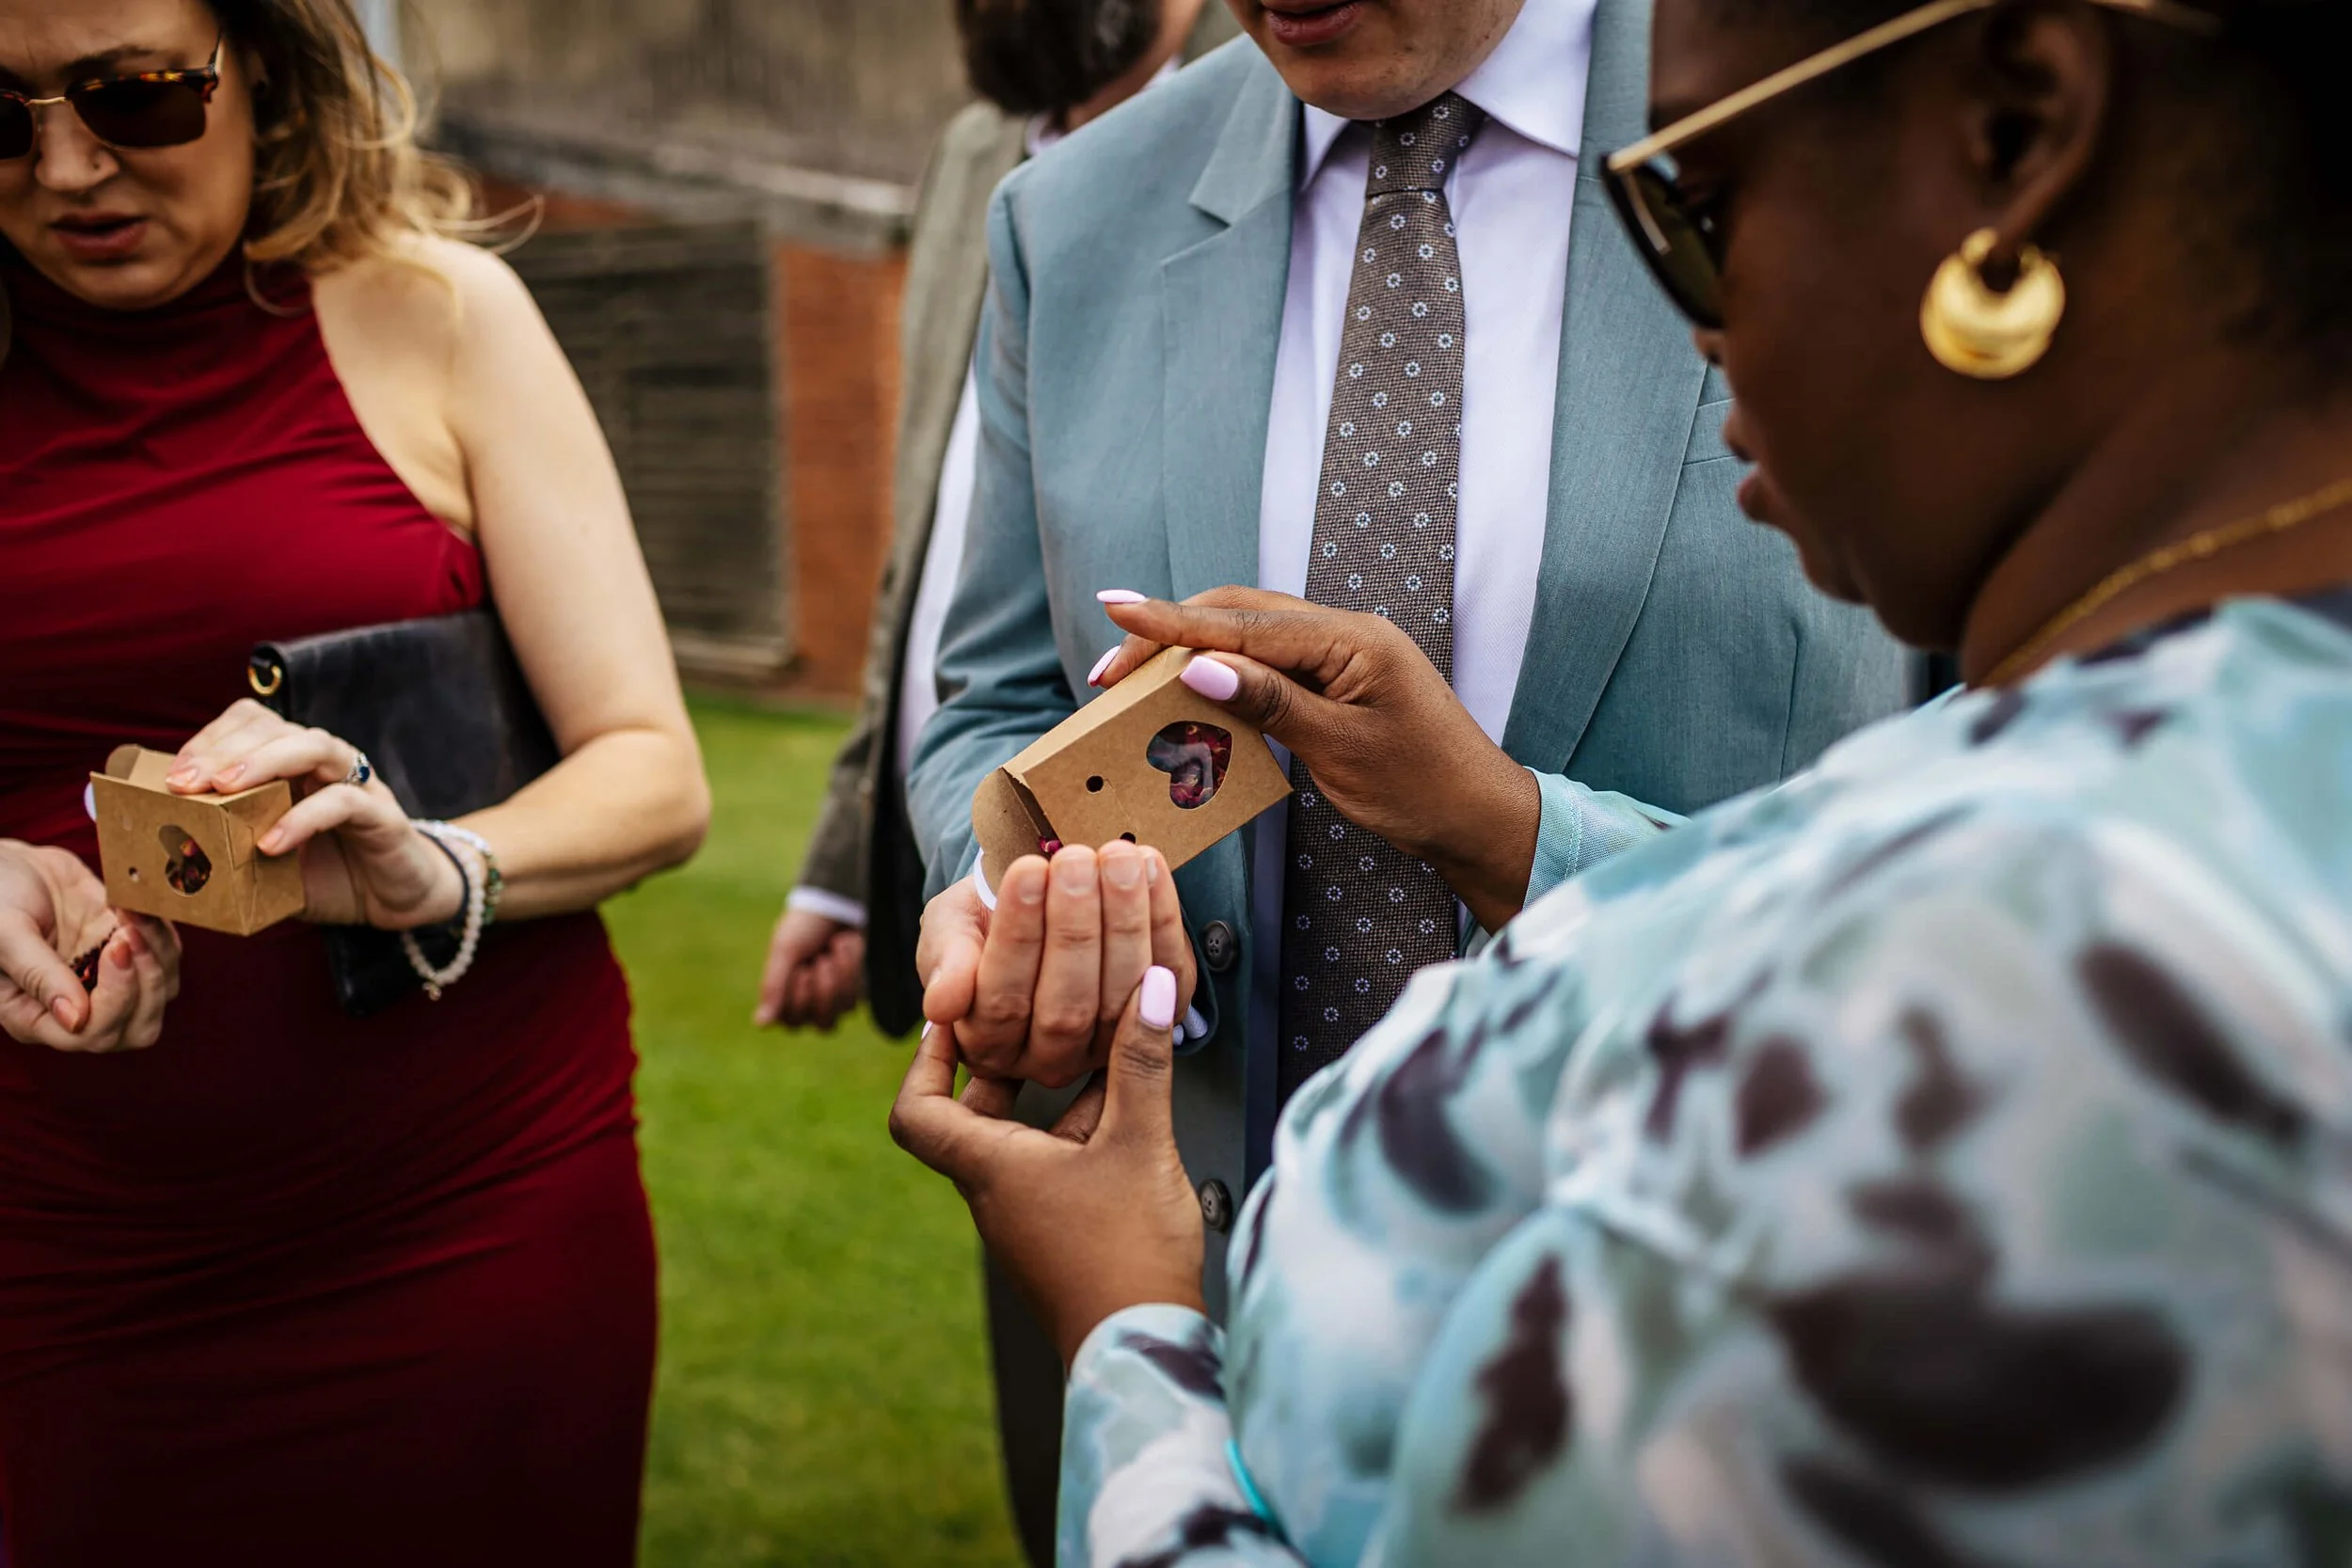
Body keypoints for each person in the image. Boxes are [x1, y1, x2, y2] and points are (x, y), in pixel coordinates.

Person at [894, 0, 2352, 1556]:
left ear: (2016, 134)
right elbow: (991, 694)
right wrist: (1013, 897)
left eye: (1698, 208)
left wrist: (1126, 1326)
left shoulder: (1944, 1015)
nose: (1701, 325)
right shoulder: (1078, 212)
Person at [0, 1, 708, 1562]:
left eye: (137, 95)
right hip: (55, 1256)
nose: (66, 167)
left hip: (465, 1210)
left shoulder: (437, 312)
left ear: (264, 63)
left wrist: (437, 863)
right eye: (1, 116)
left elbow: (653, 771)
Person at [756, 0, 1240, 1040]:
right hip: (967, 865)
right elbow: (928, 550)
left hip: (1188, 936)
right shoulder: (972, 154)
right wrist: (851, 865)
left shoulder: (1283, 105)